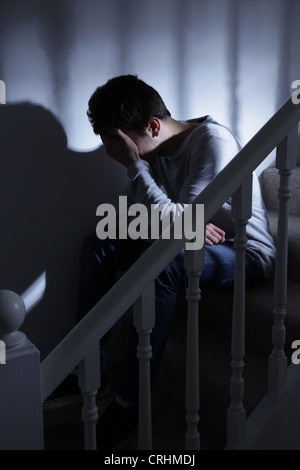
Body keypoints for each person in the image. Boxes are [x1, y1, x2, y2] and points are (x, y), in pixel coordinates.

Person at [77, 74, 276, 450]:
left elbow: (176, 229)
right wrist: (183, 225)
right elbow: (137, 218)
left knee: (165, 264)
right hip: (192, 245)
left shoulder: (211, 142)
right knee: (99, 243)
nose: (119, 156)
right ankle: (91, 370)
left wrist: (138, 170)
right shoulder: (157, 150)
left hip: (244, 252)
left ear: (152, 126)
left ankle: (128, 403)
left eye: (122, 147)